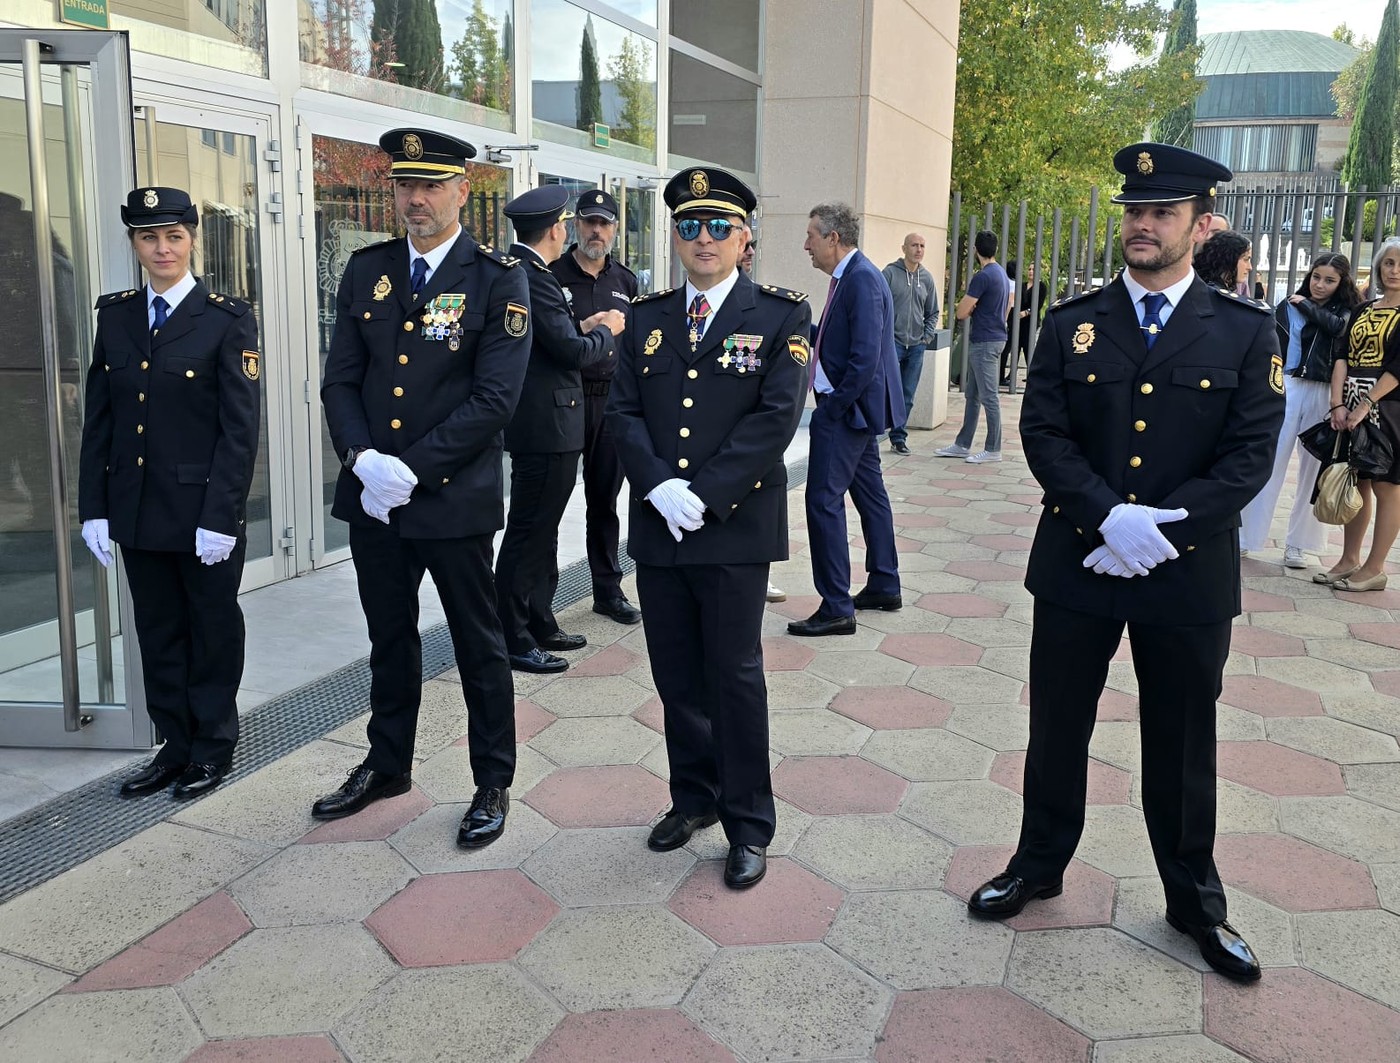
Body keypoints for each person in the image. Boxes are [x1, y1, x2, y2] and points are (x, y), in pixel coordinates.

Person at [967, 142, 1284, 985]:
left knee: (1182, 739)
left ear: (1200, 223)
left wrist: (1162, 531)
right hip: (1079, 559)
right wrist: (1109, 516)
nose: (1142, 226)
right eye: (1134, 211)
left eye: (1163, 213)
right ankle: (1038, 864)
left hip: (1186, 573)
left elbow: (1252, 453)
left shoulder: (1248, 329)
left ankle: (1195, 900)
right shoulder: (1074, 321)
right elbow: (1045, 433)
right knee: (1057, 724)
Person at [315, 128, 529, 850]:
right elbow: (340, 378)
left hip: (451, 497)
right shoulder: (367, 270)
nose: (415, 198)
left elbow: (495, 398)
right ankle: (387, 763)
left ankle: (492, 778)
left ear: (462, 191)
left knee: (478, 642)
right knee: (389, 637)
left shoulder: (498, 278)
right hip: (375, 496)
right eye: (405, 184)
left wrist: (414, 467)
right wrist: (362, 458)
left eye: (431, 185)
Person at [607, 167, 808, 889]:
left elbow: (774, 417)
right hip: (663, 523)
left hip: (732, 527)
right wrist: (659, 484)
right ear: (675, 237)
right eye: (690, 226)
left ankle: (749, 821)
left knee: (734, 675)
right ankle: (693, 797)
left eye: (719, 226)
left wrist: (709, 491)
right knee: (676, 674)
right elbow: (622, 411)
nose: (704, 239)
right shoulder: (649, 316)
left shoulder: (781, 315)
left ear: (746, 238)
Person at [78, 187, 260, 799]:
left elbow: (240, 429)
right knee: (156, 631)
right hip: (136, 508)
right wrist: (94, 506)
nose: (161, 248)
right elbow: (99, 418)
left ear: (192, 240)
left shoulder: (228, 319)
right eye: (148, 237)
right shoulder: (118, 315)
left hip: (203, 512)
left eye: (173, 236)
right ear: (134, 243)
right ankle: (173, 746)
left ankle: (212, 745)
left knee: (210, 629)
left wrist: (224, 515)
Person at [497, 187, 624, 674]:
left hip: (550, 422)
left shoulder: (527, 273)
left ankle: (536, 620)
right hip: (546, 424)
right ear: (556, 230)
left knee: (540, 527)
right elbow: (570, 352)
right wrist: (606, 329)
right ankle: (513, 634)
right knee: (529, 534)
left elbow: (554, 338)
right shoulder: (534, 277)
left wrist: (581, 327)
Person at [788, 202, 904, 637]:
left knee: (822, 502)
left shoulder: (861, 279)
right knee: (871, 496)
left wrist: (832, 406)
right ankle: (884, 582)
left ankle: (836, 605)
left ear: (833, 238)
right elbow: (842, 342)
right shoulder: (852, 277)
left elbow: (865, 358)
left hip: (846, 413)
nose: (806, 245)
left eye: (812, 236)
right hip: (854, 411)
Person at [549, 189, 642, 626]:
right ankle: (538, 597)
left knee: (603, 501)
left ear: (615, 229)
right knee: (550, 503)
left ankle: (607, 590)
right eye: (589, 222)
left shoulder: (625, 281)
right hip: (564, 400)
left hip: (610, 403)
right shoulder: (551, 275)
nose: (597, 231)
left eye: (605, 223)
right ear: (574, 226)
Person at [1241, 252, 1360, 566]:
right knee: (1268, 460)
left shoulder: (1346, 311)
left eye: (1329, 280)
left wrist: (1306, 305)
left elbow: (1337, 329)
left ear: (1341, 283)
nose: (1320, 285)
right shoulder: (1287, 306)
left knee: (1312, 472)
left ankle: (1299, 544)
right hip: (1288, 385)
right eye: (1316, 277)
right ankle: (1246, 536)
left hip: (1324, 392)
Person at [1316, 238, 1400, 592]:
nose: (1395, 271)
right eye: (1389, 263)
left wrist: (1367, 404)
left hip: (1390, 406)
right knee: (1357, 480)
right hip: (1350, 401)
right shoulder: (1364, 309)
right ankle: (1350, 559)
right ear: (1379, 267)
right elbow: (1340, 354)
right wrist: (1337, 402)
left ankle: (1375, 567)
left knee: (1387, 486)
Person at [739, 231, 788, 605]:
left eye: (754, 242)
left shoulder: (775, 310)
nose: (750, 250)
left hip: (749, 481)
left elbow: (777, 412)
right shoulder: (668, 311)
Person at [938, 230, 1009, 463]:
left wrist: (972, 308)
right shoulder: (1001, 274)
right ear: (995, 249)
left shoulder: (983, 276)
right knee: (973, 394)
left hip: (984, 341)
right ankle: (962, 444)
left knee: (989, 396)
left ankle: (993, 448)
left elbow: (960, 312)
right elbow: (1009, 302)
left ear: (976, 250)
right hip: (996, 337)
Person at [882, 232, 941, 454]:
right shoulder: (889, 273)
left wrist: (925, 337)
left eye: (922, 246)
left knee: (907, 395)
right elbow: (879, 305)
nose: (919, 250)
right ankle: (878, 429)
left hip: (916, 346)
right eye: (914, 245)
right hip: (893, 344)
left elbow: (932, 312)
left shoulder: (927, 278)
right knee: (887, 390)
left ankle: (898, 437)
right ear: (904, 248)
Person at [1001, 259, 1046, 387]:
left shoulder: (1041, 286)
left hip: (1030, 321)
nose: (1031, 272)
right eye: (1029, 269)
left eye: (1033, 270)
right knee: (1015, 347)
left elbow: (1038, 304)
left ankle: (1031, 374)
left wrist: (1025, 313)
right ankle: (1009, 374)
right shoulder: (1022, 285)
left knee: (1027, 348)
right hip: (1017, 321)